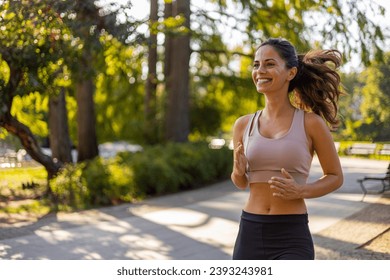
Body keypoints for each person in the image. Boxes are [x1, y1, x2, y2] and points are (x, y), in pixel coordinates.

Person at [231, 37, 344, 260]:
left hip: (291, 235)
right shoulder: (243, 124)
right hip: (250, 231)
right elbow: (241, 183)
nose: (260, 70)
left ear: (290, 73)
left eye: (270, 64)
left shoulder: (311, 123)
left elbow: (335, 176)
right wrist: (238, 171)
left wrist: (301, 191)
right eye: (256, 64)